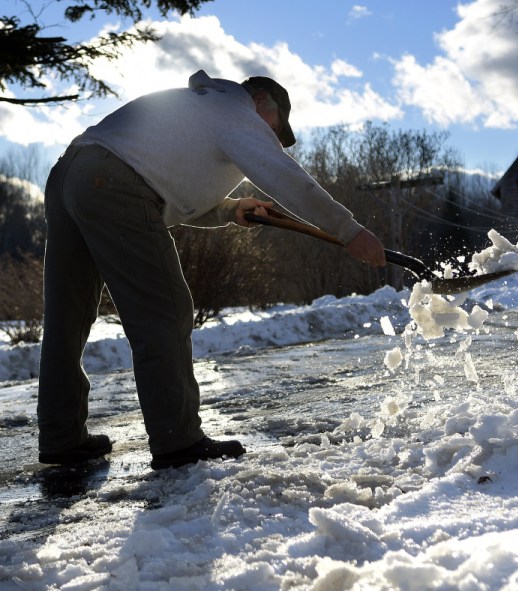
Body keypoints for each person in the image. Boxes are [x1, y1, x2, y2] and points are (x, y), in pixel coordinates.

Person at [37, 70, 386, 470]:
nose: (272, 138)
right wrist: (350, 231)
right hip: (110, 181)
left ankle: (61, 437)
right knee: (164, 312)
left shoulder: (202, 105)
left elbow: (160, 191)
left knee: (68, 315)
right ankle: (177, 439)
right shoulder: (236, 109)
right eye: (276, 128)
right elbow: (285, 177)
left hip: (71, 173)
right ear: (263, 103)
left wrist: (228, 209)